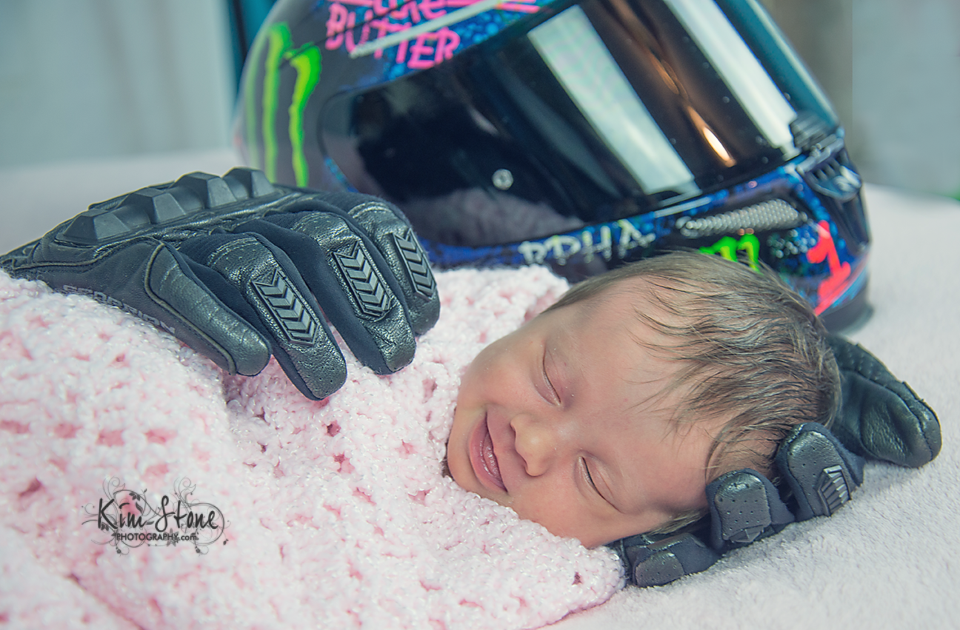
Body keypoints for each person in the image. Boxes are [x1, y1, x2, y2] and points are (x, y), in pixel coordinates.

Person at [0, 168, 939, 586]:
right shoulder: (409, 306)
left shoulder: (509, 568)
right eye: (555, 382)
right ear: (539, 311)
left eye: (597, 479)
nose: (534, 441)